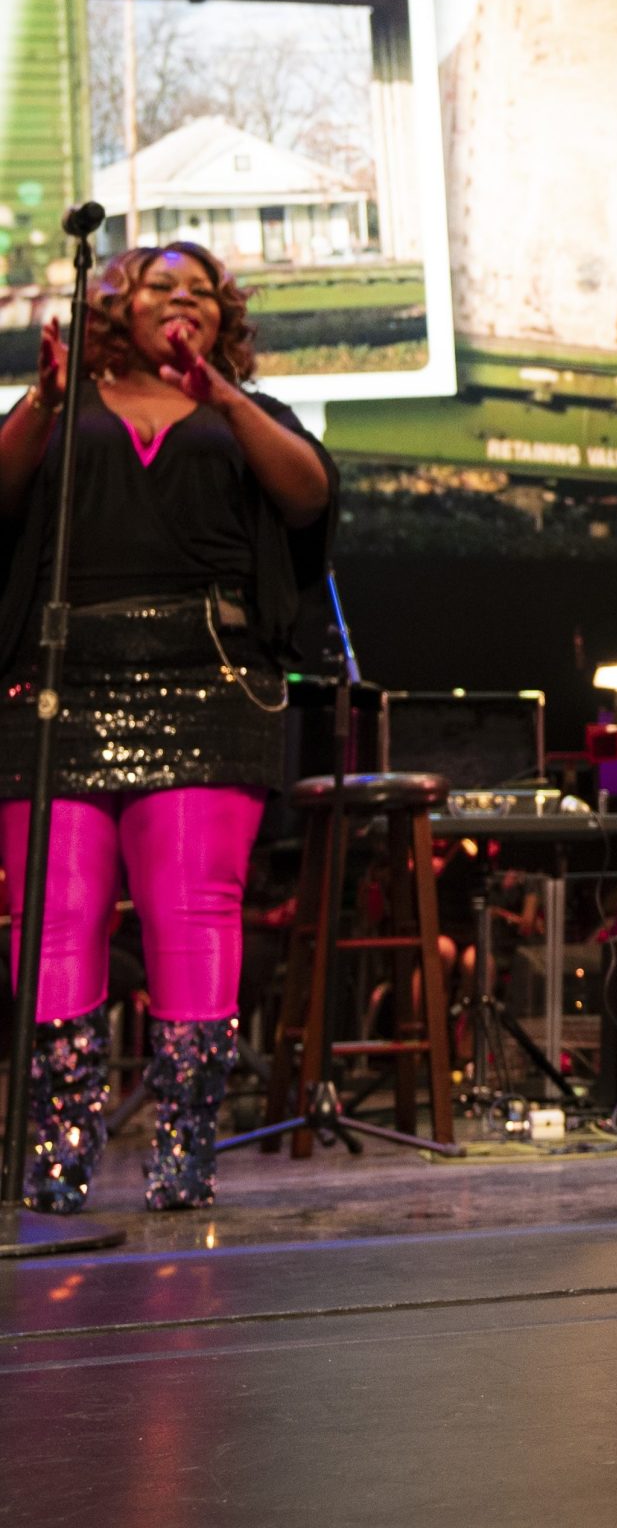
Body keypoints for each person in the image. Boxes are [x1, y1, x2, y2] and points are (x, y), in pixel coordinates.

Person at [0, 240, 334, 1210]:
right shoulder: (64, 401)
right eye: (161, 288)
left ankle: (183, 1146)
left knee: (191, 913)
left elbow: (307, 493)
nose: (182, 302)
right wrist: (43, 401)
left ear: (223, 319)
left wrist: (222, 394)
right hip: (60, 683)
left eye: (201, 293)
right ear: (122, 306)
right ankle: (61, 1147)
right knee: (54, 918)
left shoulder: (243, 414)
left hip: (206, 680)